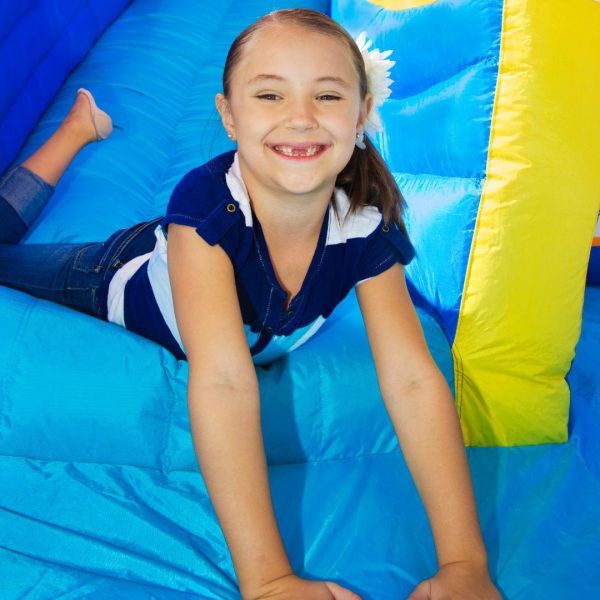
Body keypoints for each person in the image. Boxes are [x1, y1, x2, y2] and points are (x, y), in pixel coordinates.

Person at [0, 9, 503, 600]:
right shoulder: (209, 206)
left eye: (327, 95)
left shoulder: (363, 220)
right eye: (270, 95)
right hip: (115, 276)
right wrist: (268, 581)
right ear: (229, 117)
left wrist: (465, 563)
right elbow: (222, 382)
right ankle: (75, 131)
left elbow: (414, 380)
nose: (301, 118)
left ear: (361, 115)